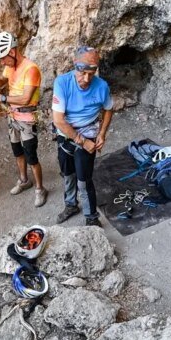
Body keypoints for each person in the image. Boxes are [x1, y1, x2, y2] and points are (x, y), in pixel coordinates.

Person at [0, 32, 48, 207]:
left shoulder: (31, 69)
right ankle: (24, 180)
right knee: (17, 152)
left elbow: (26, 98)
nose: (2, 62)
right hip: (13, 117)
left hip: (26, 119)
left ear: (12, 51)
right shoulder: (10, 66)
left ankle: (40, 188)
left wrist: (1, 98)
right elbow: (3, 79)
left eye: (3, 58)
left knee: (31, 156)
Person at [52, 46, 114, 227]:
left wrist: (101, 134)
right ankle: (71, 205)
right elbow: (59, 121)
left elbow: (108, 109)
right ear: (74, 66)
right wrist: (82, 141)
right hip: (67, 135)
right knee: (68, 173)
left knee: (84, 179)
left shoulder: (101, 86)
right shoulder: (62, 83)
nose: (86, 79)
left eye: (91, 73)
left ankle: (91, 217)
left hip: (89, 132)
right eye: (82, 73)